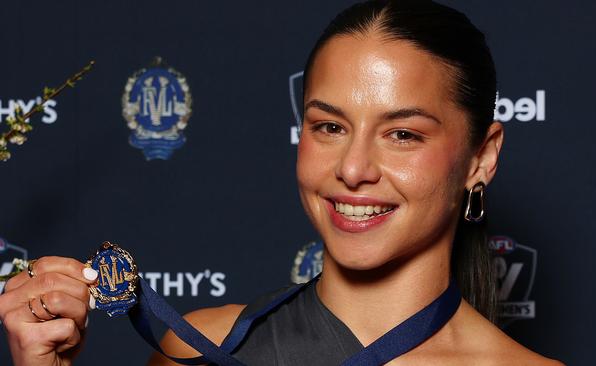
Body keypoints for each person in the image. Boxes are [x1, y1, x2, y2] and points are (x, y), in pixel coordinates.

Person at [0, 1, 564, 365]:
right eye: (329, 126)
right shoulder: (197, 349)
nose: (353, 167)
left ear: (481, 158)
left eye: (403, 135)